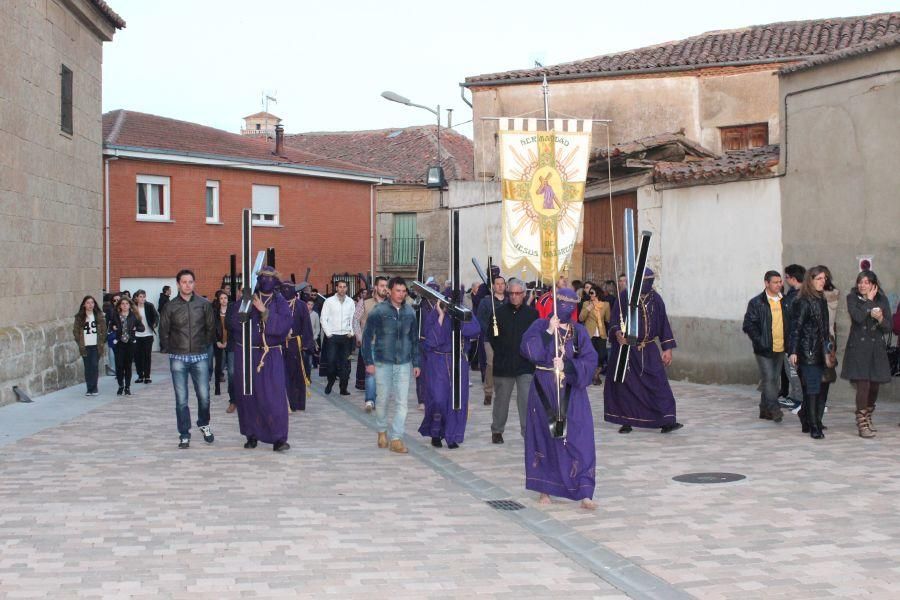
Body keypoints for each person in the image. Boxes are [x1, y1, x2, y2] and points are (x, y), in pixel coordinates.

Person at [520, 287, 598, 510]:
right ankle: (546, 488)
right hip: (544, 389)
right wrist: (548, 332)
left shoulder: (579, 332)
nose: (566, 307)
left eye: (570, 304)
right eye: (562, 302)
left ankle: (585, 490)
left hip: (572, 392)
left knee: (580, 438)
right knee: (547, 437)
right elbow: (529, 351)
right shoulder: (539, 325)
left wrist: (569, 365)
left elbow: (591, 360)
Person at [604, 268, 681, 434]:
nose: (648, 284)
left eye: (650, 281)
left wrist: (667, 349)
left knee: (659, 383)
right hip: (628, 349)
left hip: (649, 348)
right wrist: (618, 333)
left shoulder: (656, 299)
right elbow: (615, 320)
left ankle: (666, 420)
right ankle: (626, 421)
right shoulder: (625, 296)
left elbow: (663, 324)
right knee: (626, 387)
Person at [228, 267, 292, 451]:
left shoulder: (279, 302)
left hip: (270, 354)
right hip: (247, 354)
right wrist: (245, 311)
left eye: (270, 278)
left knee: (273, 397)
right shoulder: (246, 299)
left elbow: (284, 325)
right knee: (248, 396)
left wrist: (264, 311)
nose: (266, 280)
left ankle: (279, 438)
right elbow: (234, 323)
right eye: (262, 277)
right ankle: (251, 434)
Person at [361, 277, 420, 454]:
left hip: (403, 363)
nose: (401, 294)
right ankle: (381, 430)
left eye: (404, 291)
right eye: (397, 290)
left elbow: (414, 340)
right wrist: (368, 362)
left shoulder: (410, 313)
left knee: (402, 403)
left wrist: (416, 362)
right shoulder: (378, 311)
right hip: (382, 362)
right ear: (390, 291)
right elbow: (366, 337)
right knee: (383, 400)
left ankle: (396, 438)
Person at [159, 269, 216, 449]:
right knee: (181, 398)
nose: (187, 285)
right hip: (178, 357)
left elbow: (210, 328)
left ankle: (204, 423)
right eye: (184, 282)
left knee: (204, 395)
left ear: (194, 283)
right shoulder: (170, 306)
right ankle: (184, 433)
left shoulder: (204, 304)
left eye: (190, 282)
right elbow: (164, 330)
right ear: (178, 284)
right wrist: (169, 348)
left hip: (200, 356)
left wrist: (203, 345)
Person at [417, 299, 482, 448]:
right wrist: (441, 315)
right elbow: (431, 341)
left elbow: (474, 330)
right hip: (438, 361)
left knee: (457, 400)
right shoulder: (434, 314)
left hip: (458, 361)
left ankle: (452, 435)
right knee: (438, 399)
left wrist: (459, 318)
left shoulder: (463, 312)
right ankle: (435, 433)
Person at [840, 270, 892, 438]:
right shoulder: (852, 298)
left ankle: (868, 414)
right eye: (860, 282)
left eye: (866, 282)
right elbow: (857, 317)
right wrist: (868, 302)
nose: (862, 285)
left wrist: (880, 319)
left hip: (876, 349)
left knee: (874, 385)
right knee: (864, 384)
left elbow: (888, 327)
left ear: (873, 285)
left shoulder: (882, 300)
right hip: (858, 349)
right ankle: (861, 422)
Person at [488, 278, 539, 443]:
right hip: (504, 364)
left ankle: (527, 431)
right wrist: (503, 351)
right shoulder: (499, 313)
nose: (515, 296)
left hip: (525, 364)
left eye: (518, 293)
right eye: (512, 293)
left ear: (524, 294)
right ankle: (497, 430)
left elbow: (536, 338)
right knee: (502, 400)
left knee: (525, 399)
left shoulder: (532, 314)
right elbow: (492, 337)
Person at [788, 266, 832, 440]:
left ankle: (808, 417)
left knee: (821, 388)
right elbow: (796, 328)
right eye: (819, 278)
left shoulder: (821, 299)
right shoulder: (802, 301)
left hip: (822, 351)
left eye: (824, 278)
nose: (823, 281)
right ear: (810, 280)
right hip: (807, 351)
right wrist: (793, 351)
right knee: (813, 389)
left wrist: (829, 347)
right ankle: (814, 425)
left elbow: (825, 328)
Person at [742, 271, 787, 423]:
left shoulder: (785, 301)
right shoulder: (756, 302)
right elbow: (748, 324)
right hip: (764, 348)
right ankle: (774, 408)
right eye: (775, 282)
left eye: (780, 282)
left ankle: (764, 409)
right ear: (766, 283)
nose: (779, 285)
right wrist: (759, 340)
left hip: (780, 346)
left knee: (774, 378)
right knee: (769, 379)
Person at [354, 276, 388, 412]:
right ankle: (369, 400)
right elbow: (355, 320)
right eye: (381, 285)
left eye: (386, 286)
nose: (384, 288)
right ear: (375, 287)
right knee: (371, 373)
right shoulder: (365, 302)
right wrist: (359, 336)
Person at [280, 281, 315, 413]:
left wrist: (307, 343)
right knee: (283, 373)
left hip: (296, 343)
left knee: (297, 373)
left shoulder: (300, 305)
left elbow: (306, 325)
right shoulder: (278, 304)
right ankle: (285, 402)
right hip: (280, 343)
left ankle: (297, 403)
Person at [476, 274, 508, 406]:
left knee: (505, 365)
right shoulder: (486, 302)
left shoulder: (509, 301)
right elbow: (480, 318)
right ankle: (488, 392)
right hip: (490, 338)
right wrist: (490, 330)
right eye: (498, 284)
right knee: (491, 363)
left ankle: (503, 392)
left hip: (506, 339)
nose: (500, 286)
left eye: (502, 284)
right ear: (493, 286)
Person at [320, 280, 355, 395]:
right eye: (340, 287)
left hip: (346, 336)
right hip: (333, 337)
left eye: (344, 287)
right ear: (336, 288)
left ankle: (343, 388)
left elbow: (353, 318)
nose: (342, 289)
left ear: (347, 288)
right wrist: (328, 333)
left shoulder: (350, 302)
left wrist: (352, 331)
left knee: (345, 364)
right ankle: (331, 381)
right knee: (331, 362)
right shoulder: (329, 301)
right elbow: (323, 318)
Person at [780, 264, 806, 410]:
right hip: (788, 339)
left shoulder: (799, 296)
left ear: (793, 278)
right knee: (791, 371)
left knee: (794, 371)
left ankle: (800, 400)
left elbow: (793, 320)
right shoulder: (792, 294)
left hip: (794, 341)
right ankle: (795, 397)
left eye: (786, 277)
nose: (785, 280)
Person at [108, 297, 144, 396]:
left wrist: (136, 327)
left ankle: (127, 387)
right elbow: (110, 326)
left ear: (129, 305)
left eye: (126, 304)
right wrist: (113, 327)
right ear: (119, 305)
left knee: (128, 366)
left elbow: (142, 328)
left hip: (130, 343)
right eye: (122, 304)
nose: (124, 305)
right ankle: (120, 385)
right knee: (119, 366)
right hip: (119, 343)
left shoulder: (134, 316)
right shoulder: (116, 316)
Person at [73, 295, 107, 396]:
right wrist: (79, 341)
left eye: (92, 302)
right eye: (88, 303)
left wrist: (102, 341)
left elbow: (104, 330)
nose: (90, 305)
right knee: (88, 367)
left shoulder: (99, 315)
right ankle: (89, 388)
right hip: (85, 345)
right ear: (84, 304)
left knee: (94, 365)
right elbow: (75, 331)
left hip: (96, 345)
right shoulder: (79, 317)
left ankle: (94, 387)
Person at [578, 285, 610, 385]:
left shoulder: (605, 305)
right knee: (591, 356)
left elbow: (608, 319)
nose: (590, 294)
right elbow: (581, 318)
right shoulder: (586, 303)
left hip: (601, 334)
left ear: (597, 294)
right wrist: (588, 309)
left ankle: (596, 374)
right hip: (589, 334)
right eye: (589, 293)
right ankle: (594, 376)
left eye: (592, 293)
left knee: (601, 355)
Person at [212, 290, 237, 413]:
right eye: (221, 298)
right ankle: (220, 390)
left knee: (232, 372)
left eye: (225, 298)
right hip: (219, 344)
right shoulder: (214, 312)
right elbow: (211, 328)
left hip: (231, 344)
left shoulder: (233, 312)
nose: (223, 300)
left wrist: (229, 341)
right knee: (219, 368)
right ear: (218, 300)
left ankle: (233, 401)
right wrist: (216, 341)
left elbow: (236, 328)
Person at [131, 290, 158, 384]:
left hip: (148, 334)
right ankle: (140, 376)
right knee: (138, 356)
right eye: (141, 297)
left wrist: (154, 323)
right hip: (136, 335)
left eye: (144, 296)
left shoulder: (149, 306)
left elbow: (156, 316)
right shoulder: (133, 308)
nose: (142, 298)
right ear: (136, 298)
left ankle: (147, 376)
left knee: (147, 356)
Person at [307, 298, 320, 369]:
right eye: (308, 304)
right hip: (305, 337)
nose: (310, 306)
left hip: (313, 337)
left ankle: (312, 364)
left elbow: (317, 327)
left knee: (312, 354)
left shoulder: (315, 315)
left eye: (311, 305)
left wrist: (315, 336)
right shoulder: (304, 314)